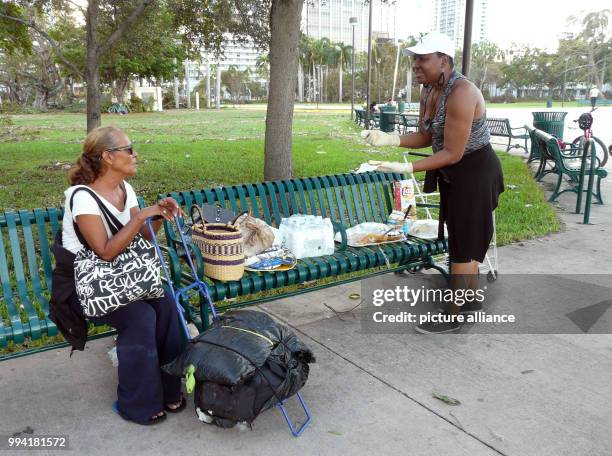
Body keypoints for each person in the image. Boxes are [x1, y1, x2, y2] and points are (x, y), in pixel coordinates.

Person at [362, 31, 504, 334]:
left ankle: (453, 314)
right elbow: (428, 136)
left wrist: (408, 166)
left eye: (423, 58)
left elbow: (453, 152)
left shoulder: (462, 92)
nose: (416, 64)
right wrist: (391, 139)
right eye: (415, 59)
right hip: (455, 172)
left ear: (444, 60)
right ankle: (471, 300)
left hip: (476, 171)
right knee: (462, 239)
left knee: (464, 247)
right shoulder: (429, 90)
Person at [55, 126, 185, 425]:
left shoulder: (126, 189)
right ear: (107, 157)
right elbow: (105, 251)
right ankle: (137, 403)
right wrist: (140, 215)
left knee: (166, 305)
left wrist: (158, 218)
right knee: (140, 316)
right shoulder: (82, 197)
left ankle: (169, 390)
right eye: (129, 149)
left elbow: (142, 240)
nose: (135, 154)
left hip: (124, 278)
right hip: (86, 286)